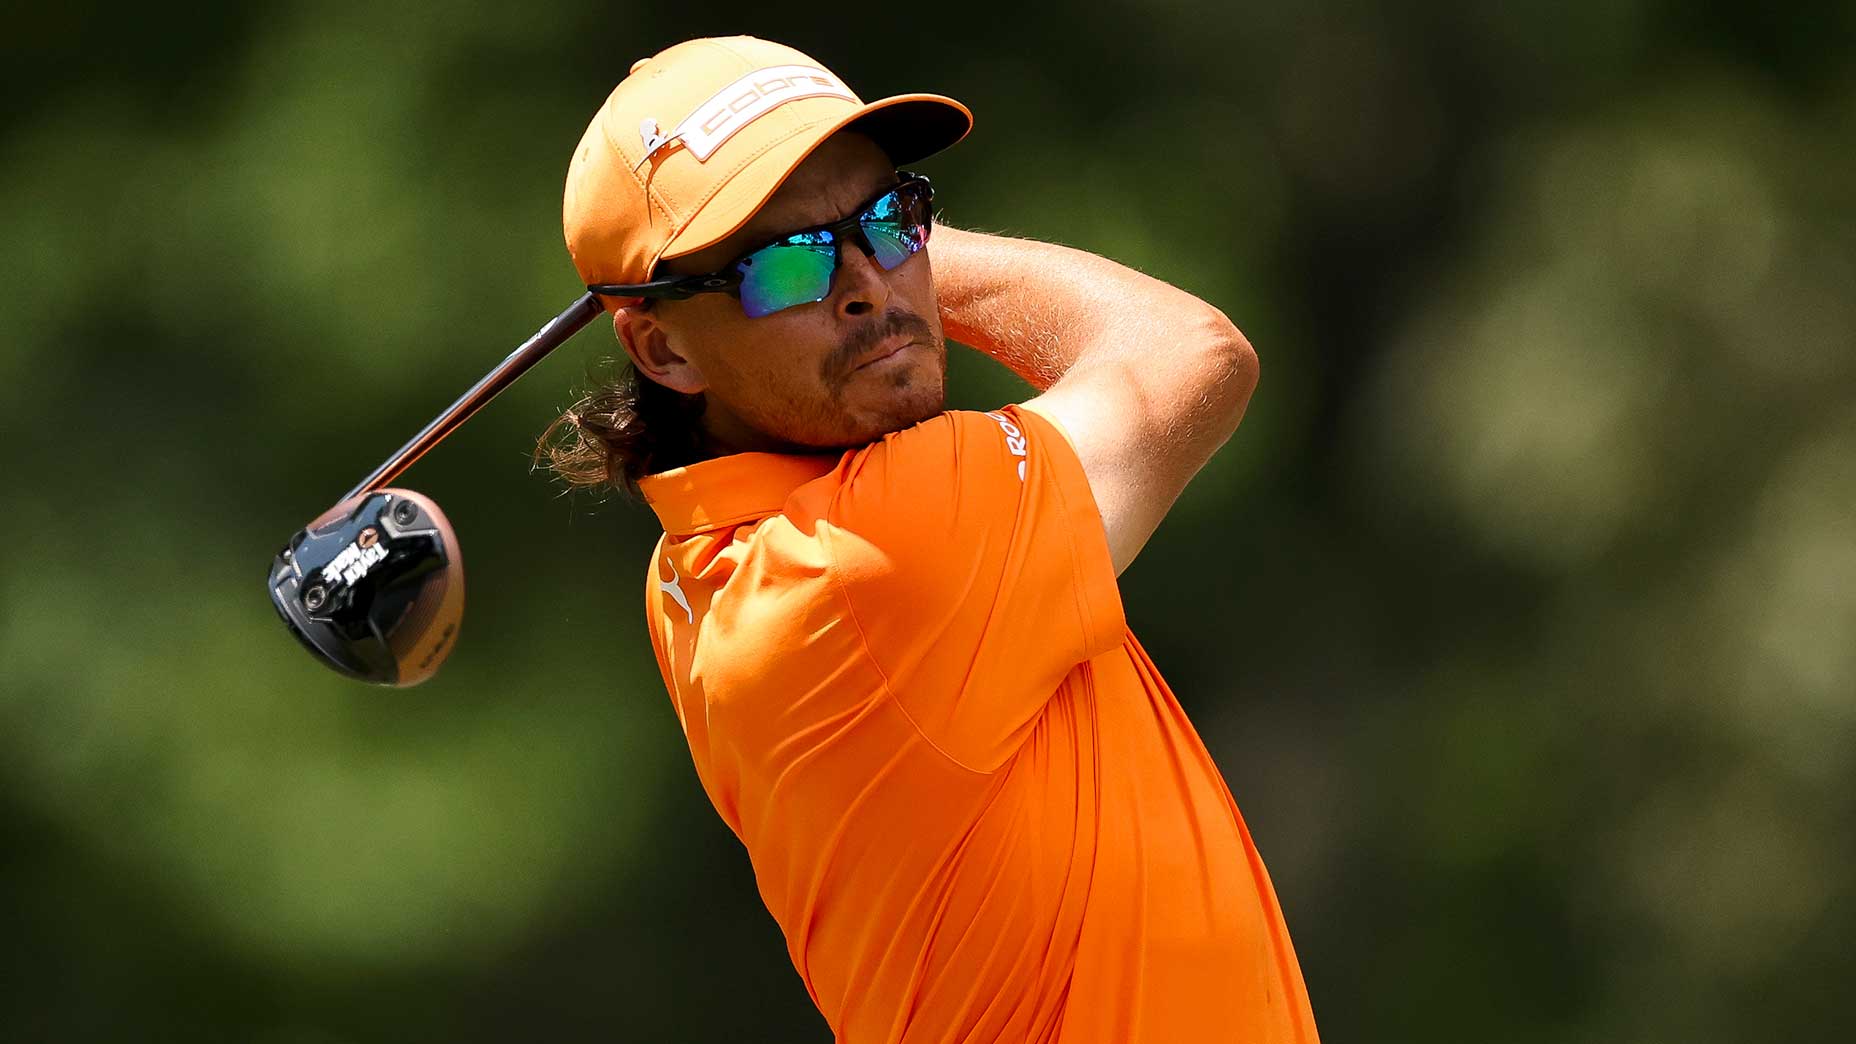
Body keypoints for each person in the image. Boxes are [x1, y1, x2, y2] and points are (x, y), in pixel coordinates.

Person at [540, 35, 1318, 1044]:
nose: (867, 284)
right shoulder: (863, 560)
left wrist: (835, 246)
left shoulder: (693, 567)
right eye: (782, 265)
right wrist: (892, 249)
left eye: (893, 218)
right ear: (661, 346)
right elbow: (1193, 354)